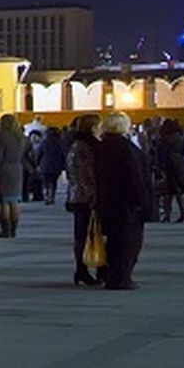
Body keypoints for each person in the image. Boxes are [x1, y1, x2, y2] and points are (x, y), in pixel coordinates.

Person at [93, 113, 152, 289]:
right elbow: (134, 177)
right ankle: (122, 277)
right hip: (127, 203)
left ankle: (113, 275)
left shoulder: (103, 146)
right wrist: (142, 201)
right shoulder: (124, 147)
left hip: (109, 201)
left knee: (113, 241)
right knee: (128, 242)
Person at [64, 115, 100, 285]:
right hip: (87, 197)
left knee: (82, 235)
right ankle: (83, 269)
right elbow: (88, 175)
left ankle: (82, 269)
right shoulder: (87, 147)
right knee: (86, 234)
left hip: (77, 194)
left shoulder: (75, 145)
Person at [0, 117, 25, 238]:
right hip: (17, 168)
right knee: (14, 200)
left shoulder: (2, 136)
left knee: (4, 201)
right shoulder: (20, 136)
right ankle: (14, 229)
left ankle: (6, 230)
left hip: (4, 169)